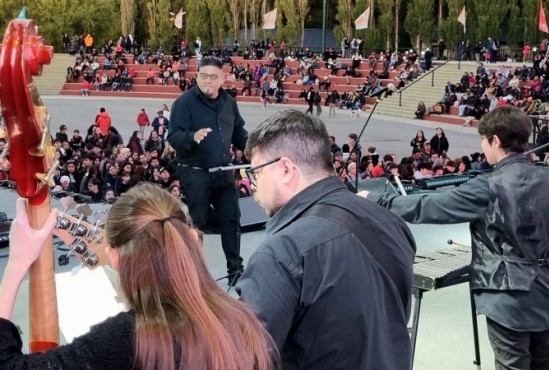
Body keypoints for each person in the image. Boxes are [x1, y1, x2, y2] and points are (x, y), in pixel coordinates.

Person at [359, 106, 549, 370]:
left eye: (483, 140)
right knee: (543, 364)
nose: (483, 146)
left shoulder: (488, 185)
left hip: (508, 298)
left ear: (495, 140)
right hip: (548, 292)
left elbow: (429, 206)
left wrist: (375, 199)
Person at [0, 183, 277, 369]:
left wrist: (15, 267)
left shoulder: (128, 339)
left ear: (116, 257)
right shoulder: (247, 324)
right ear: (191, 239)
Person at [236, 110, 416, 369]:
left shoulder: (281, 252)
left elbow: (247, 358)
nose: (254, 186)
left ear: (285, 169)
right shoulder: (391, 222)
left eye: (256, 173)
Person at [168, 56, 248, 286]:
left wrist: (254, 147)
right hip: (195, 174)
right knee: (198, 224)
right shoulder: (184, 103)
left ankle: (235, 271)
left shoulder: (229, 102)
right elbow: (173, 136)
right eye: (203, 76)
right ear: (197, 76)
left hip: (223, 173)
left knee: (232, 220)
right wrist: (191, 136)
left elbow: (238, 132)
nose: (208, 81)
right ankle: (196, 276)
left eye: (213, 77)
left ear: (223, 78)